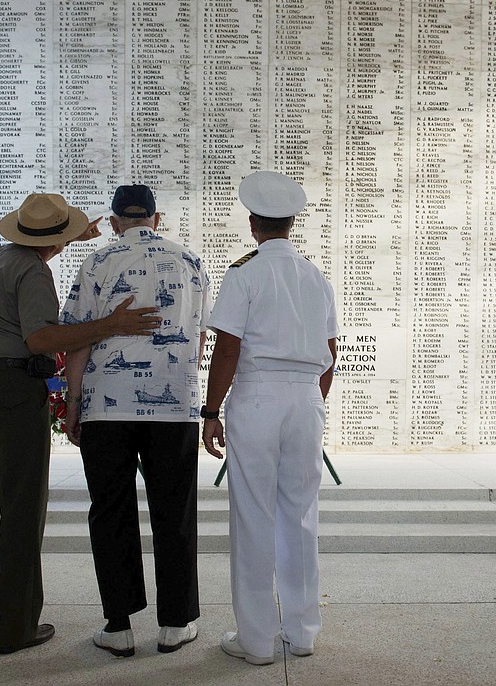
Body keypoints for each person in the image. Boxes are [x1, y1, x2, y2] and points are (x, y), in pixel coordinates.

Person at [0, 193, 162, 655]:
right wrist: (110, 324)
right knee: (22, 508)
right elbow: (40, 337)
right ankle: (17, 626)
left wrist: (64, 239)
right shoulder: (34, 271)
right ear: (57, 239)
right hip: (11, 390)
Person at [61, 185, 212, 658]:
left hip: (108, 407)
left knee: (110, 510)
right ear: (156, 218)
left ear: (113, 222)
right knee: (175, 510)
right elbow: (202, 336)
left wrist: (73, 400)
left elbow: (77, 339)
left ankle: (119, 626)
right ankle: (175, 623)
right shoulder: (191, 264)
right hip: (175, 409)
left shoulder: (98, 263)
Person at [201, 171, 338, 665]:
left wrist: (211, 410)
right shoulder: (315, 277)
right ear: (290, 224)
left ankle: (256, 640)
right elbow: (330, 353)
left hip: (257, 397)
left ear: (254, 224)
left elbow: (228, 348)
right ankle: (301, 632)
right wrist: (310, 400)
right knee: (300, 515)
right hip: (306, 400)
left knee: (253, 516)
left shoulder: (245, 272)